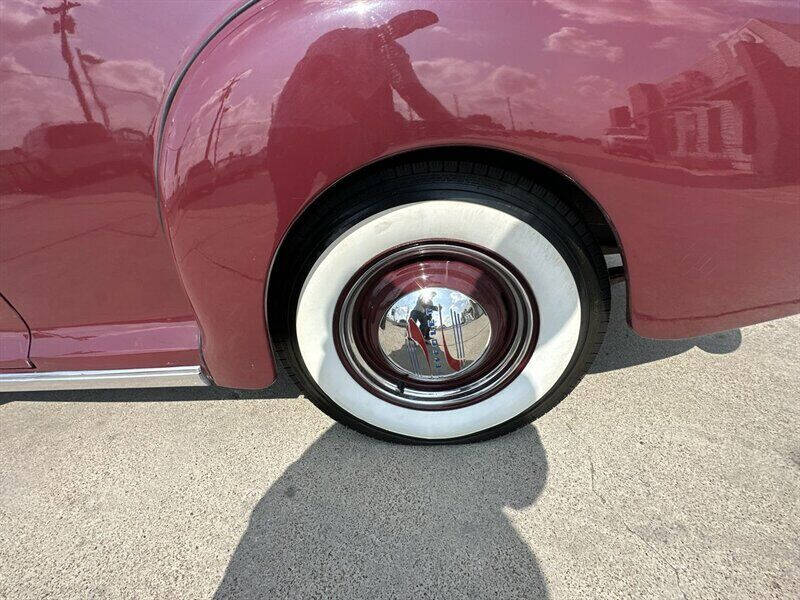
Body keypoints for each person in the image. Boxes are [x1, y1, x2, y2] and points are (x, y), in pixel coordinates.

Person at [266, 10, 453, 211]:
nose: (409, 29)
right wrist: (373, 116)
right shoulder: (350, 40)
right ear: (395, 23)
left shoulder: (382, 50)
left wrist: (448, 126)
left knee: (338, 203)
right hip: (300, 133)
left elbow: (412, 93)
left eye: (415, 26)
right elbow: (315, 73)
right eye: (410, 23)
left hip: (317, 135)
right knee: (297, 211)